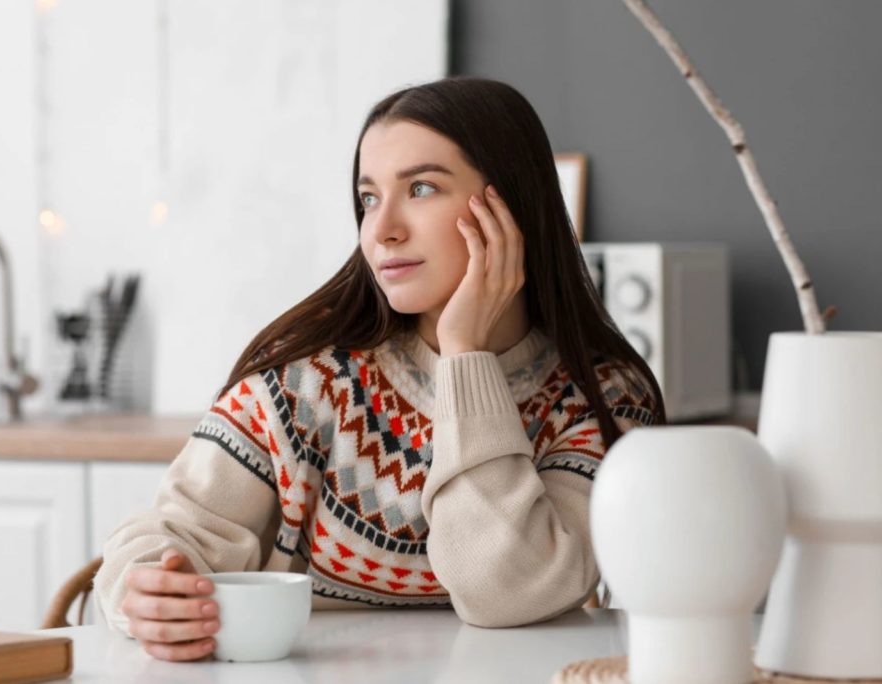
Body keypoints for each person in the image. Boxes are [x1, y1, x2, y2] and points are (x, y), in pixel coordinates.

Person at [94, 76, 665, 662]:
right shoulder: (306, 386)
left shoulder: (602, 400)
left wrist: (464, 354)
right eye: (369, 198)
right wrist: (144, 588)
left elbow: (509, 592)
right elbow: (169, 533)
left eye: (421, 188)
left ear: (509, 205)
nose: (383, 228)